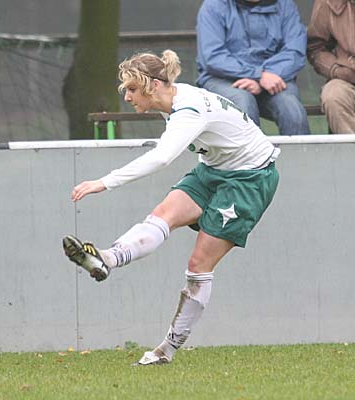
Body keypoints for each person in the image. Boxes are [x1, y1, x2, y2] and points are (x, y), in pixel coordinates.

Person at [62, 50, 280, 366]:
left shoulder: (187, 109)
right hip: (214, 169)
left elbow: (162, 157)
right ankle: (106, 259)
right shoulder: (173, 100)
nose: (127, 97)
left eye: (132, 89)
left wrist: (104, 182)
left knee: (198, 265)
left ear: (153, 85)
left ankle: (166, 350)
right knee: (161, 216)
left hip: (250, 179)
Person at [196, 0, 310, 135]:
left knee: (292, 109)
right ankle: (252, 150)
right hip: (223, 78)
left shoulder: (285, 5)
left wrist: (268, 75)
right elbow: (213, 57)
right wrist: (258, 75)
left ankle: (300, 149)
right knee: (243, 104)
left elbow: (295, 51)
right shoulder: (213, 6)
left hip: (275, 76)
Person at [306, 0, 355, 134]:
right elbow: (315, 48)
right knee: (333, 94)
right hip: (347, 77)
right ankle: (349, 147)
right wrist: (336, 70)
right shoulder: (327, 2)